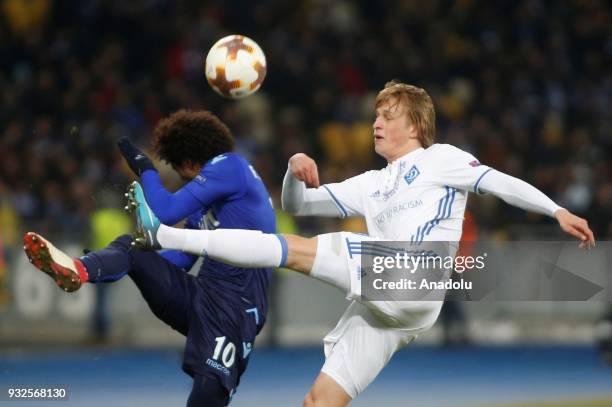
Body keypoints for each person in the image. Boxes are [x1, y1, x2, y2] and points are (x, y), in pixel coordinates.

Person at [130, 81, 595, 407]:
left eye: (386, 115)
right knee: (319, 400)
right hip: (392, 306)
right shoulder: (371, 183)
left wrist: (556, 210)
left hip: (415, 275)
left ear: (414, 126)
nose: (375, 122)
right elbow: (302, 202)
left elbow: (499, 183)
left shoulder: (441, 158)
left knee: (292, 248)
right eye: (375, 114)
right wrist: (294, 167)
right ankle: (168, 234)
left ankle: (167, 233)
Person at [23, 109, 276, 406]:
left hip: (235, 309)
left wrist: (146, 168)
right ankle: (78, 269)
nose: (184, 182)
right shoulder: (205, 204)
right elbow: (181, 258)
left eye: (180, 172)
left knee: (206, 398)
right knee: (132, 248)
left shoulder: (231, 166)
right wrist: (131, 263)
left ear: (192, 163)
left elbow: (166, 211)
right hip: (201, 297)